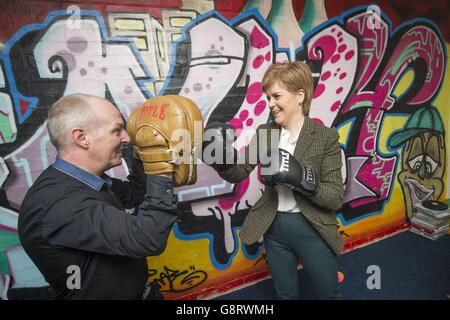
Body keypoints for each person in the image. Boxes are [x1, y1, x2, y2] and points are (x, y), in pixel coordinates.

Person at [203, 61, 344, 299]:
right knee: (285, 295)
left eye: (276, 96)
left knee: (328, 293)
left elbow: (335, 198)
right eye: (268, 97)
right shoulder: (265, 133)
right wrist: (223, 161)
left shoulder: (325, 137)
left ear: (300, 95)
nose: (271, 104)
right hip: (274, 226)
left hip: (311, 226)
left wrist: (304, 180)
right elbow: (240, 171)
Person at [18, 94, 179, 300]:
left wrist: (144, 149)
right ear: (81, 137)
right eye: (116, 130)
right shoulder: (59, 203)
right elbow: (147, 239)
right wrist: (160, 165)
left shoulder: (86, 181)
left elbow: (135, 194)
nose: (126, 138)